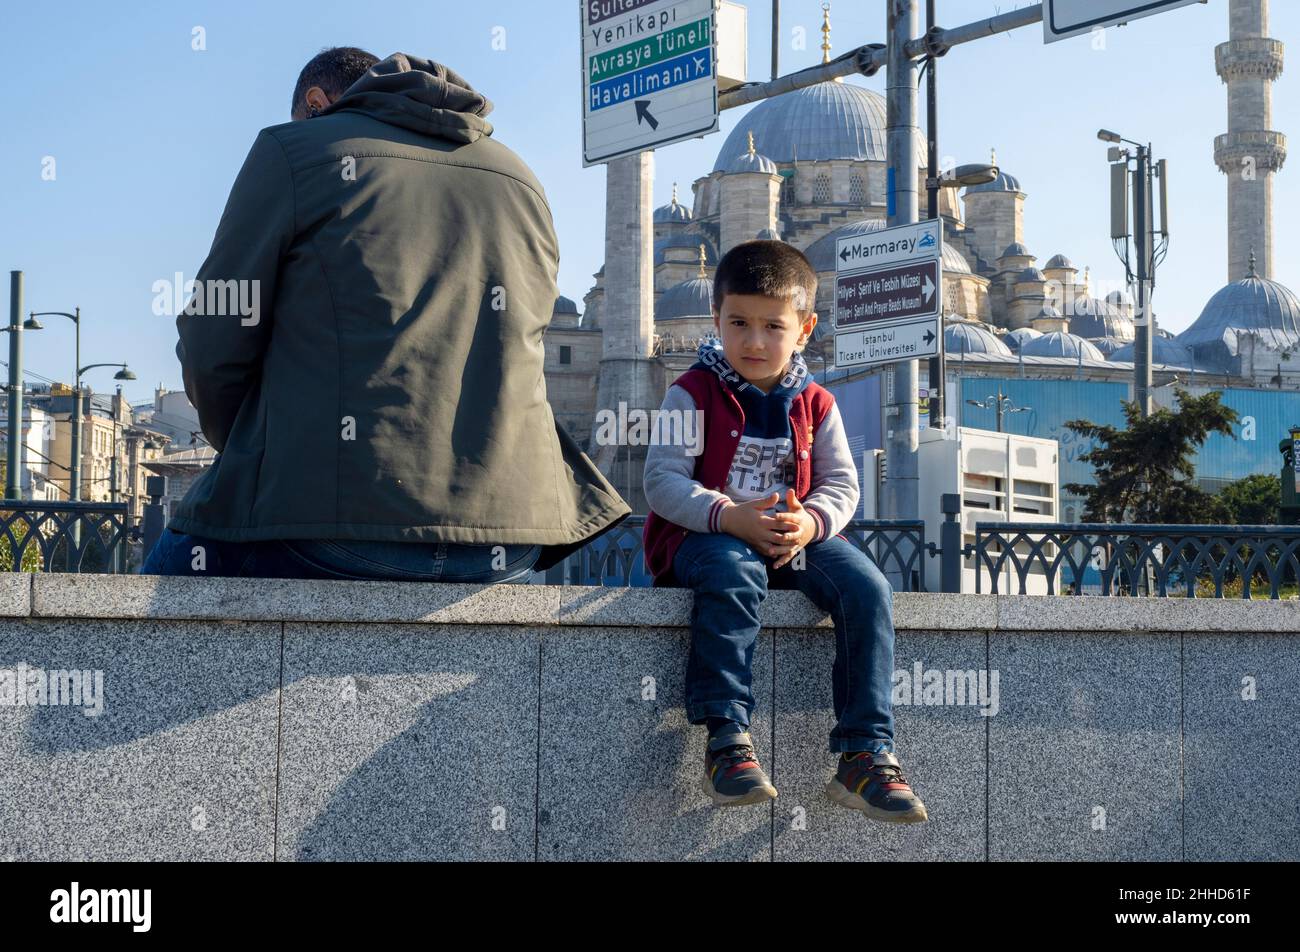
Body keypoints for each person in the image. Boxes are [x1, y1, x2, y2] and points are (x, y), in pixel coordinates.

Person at [143, 50, 629, 582]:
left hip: (331, 532)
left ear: (314, 103)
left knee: (141, 626)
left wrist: (256, 446)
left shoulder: (294, 149)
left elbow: (213, 335)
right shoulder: (520, 176)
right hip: (513, 538)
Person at [641, 240, 928, 823]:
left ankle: (864, 753)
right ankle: (727, 741)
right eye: (738, 323)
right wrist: (729, 516)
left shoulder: (817, 402)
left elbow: (843, 485)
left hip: (795, 541)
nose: (753, 341)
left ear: (804, 328)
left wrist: (811, 523)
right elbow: (661, 481)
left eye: (773, 326)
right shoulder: (689, 393)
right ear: (716, 319)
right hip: (709, 540)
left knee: (867, 589)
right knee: (733, 567)